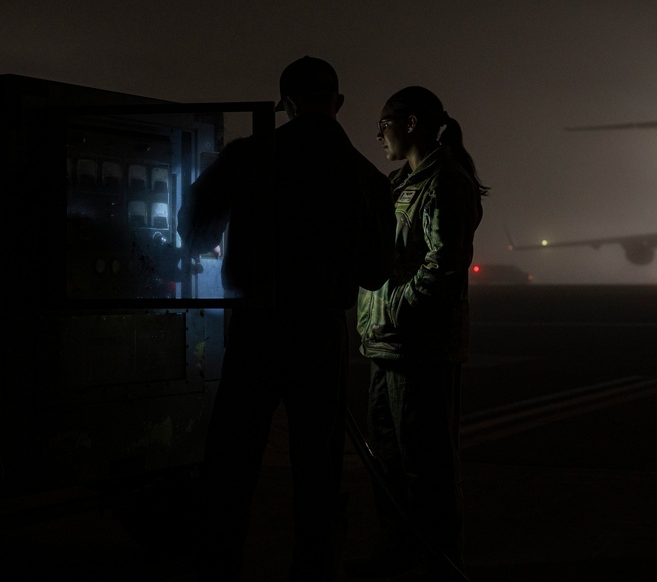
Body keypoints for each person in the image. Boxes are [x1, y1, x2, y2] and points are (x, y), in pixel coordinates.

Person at [179, 56, 395, 581]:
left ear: (286, 105)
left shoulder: (250, 156)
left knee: (232, 460)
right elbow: (374, 273)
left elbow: (195, 229)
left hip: (256, 325)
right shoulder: (367, 177)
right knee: (317, 465)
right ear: (337, 103)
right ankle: (315, 567)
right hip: (322, 330)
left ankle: (217, 562)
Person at [350, 86, 487, 580]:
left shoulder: (446, 182)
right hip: (387, 346)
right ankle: (398, 554)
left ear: (409, 124)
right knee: (388, 465)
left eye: (384, 124)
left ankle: (440, 563)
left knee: (426, 468)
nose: (379, 136)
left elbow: (443, 267)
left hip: (420, 348)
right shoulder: (398, 184)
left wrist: (395, 312)